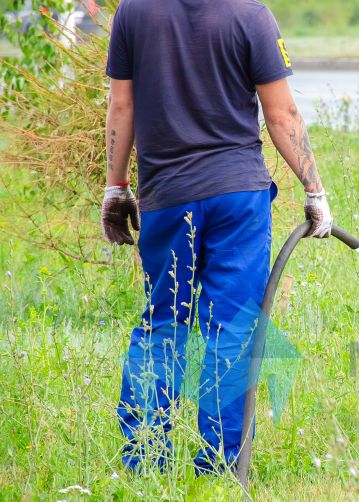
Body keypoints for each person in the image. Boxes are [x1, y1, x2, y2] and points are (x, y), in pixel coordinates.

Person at [100, 0, 333, 474]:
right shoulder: (251, 14)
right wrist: (314, 190)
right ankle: (222, 467)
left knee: (163, 325)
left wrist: (116, 186)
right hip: (238, 199)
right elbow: (282, 113)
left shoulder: (133, 12)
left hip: (167, 197)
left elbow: (121, 105)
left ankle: (146, 462)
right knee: (233, 329)